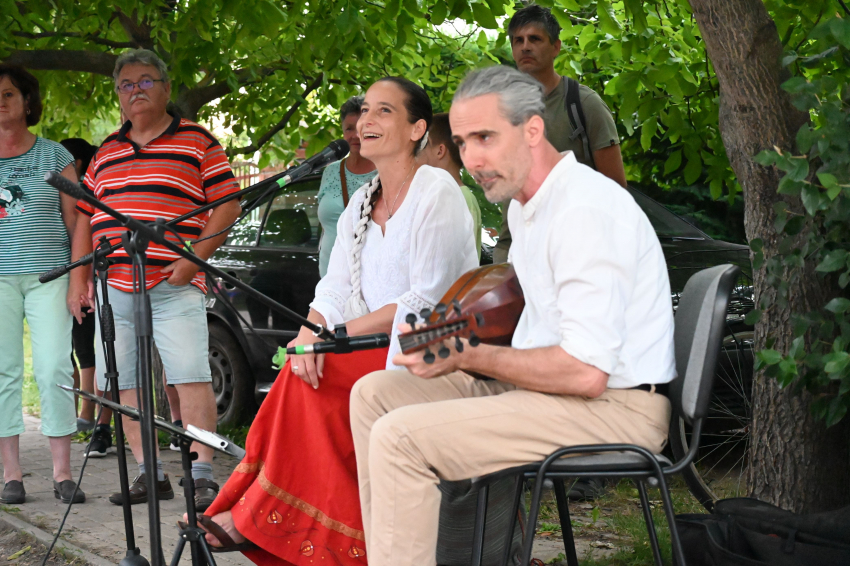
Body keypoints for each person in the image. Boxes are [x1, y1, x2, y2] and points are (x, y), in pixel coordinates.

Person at [349, 65, 676, 566]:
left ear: (532, 130)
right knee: (373, 395)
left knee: (401, 438)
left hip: (616, 406)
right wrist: (459, 342)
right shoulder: (527, 209)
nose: (473, 159)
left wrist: (467, 353)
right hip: (551, 392)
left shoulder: (583, 209)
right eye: (461, 142)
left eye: (486, 137)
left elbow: (586, 372)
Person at [199, 76, 478, 566]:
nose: (366, 121)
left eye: (383, 112)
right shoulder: (362, 200)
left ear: (417, 130)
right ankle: (280, 526)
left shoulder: (438, 191)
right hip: (365, 345)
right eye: (365, 111)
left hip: (428, 350)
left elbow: (427, 298)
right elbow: (333, 286)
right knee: (296, 369)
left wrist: (335, 338)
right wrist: (311, 331)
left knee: (317, 380)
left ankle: (286, 528)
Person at [67, 49, 242, 511]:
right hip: (112, 286)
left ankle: (202, 473)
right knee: (125, 382)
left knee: (189, 375)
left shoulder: (197, 141)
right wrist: (77, 280)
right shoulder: (104, 151)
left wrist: (194, 260)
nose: (136, 90)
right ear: (118, 96)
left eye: (146, 81)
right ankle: (150, 473)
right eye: (127, 84)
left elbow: (227, 205)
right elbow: (86, 217)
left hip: (173, 283)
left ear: (165, 88)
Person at [0, 64, 87, 505]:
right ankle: (11, 474)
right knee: (3, 371)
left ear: (27, 102)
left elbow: (78, 222)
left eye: (9, 94)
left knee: (54, 367)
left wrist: (78, 281)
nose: (1, 101)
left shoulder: (55, 157)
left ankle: (63, 473)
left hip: (49, 276)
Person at [493, 4, 626, 265]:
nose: (525, 47)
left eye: (535, 39)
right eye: (518, 40)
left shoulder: (583, 104)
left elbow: (617, 192)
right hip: (517, 256)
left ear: (556, 47)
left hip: (576, 255)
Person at [58, 138, 105, 434]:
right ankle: (73, 412)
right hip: (59, 274)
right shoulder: (58, 192)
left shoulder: (88, 191)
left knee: (87, 347)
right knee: (67, 349)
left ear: (78, 163)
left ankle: (92, 416)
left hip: (88, 274)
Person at [316, 96, 377, 277]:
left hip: (369, 280)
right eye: (349, 128)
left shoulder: (386, 173)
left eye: (362, 127)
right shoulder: (330, 172)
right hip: (329, 278)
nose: (355, 135)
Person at [419, 112, 482, 260]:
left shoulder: (462, 198)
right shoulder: (433, 194)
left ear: (440, 151)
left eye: (423, 145)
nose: (417, 153)